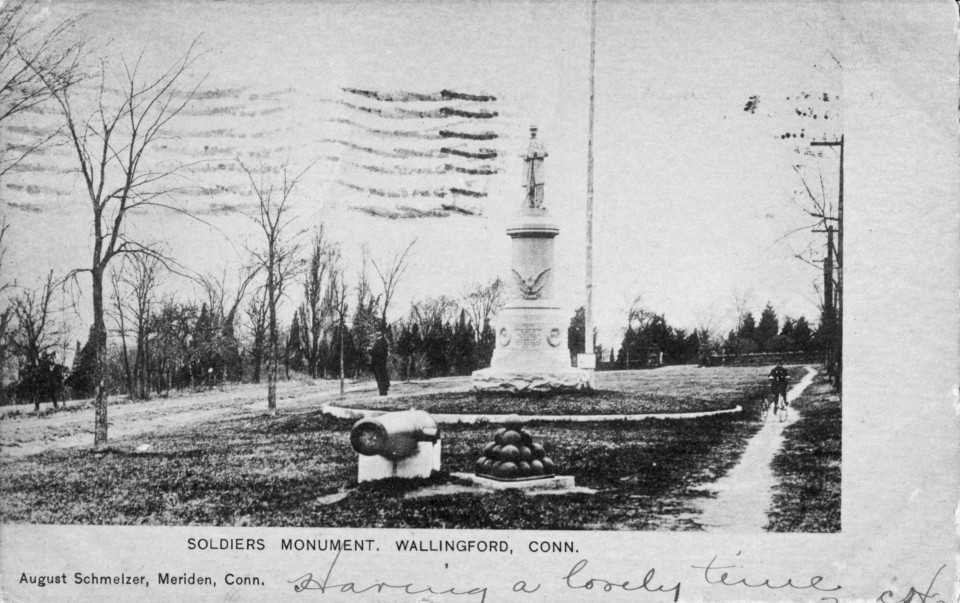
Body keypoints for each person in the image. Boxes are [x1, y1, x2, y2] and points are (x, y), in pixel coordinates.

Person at [370, 331, 390, 396]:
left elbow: (380, 353)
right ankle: (382, 391)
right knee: (380, 377)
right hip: (379, 362)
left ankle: (383, 392)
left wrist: (371, 351)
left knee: (380, 377)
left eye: (378, 332)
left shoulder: (382, 341)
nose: (377, 333)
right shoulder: (379, 341)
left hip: (379, 363)